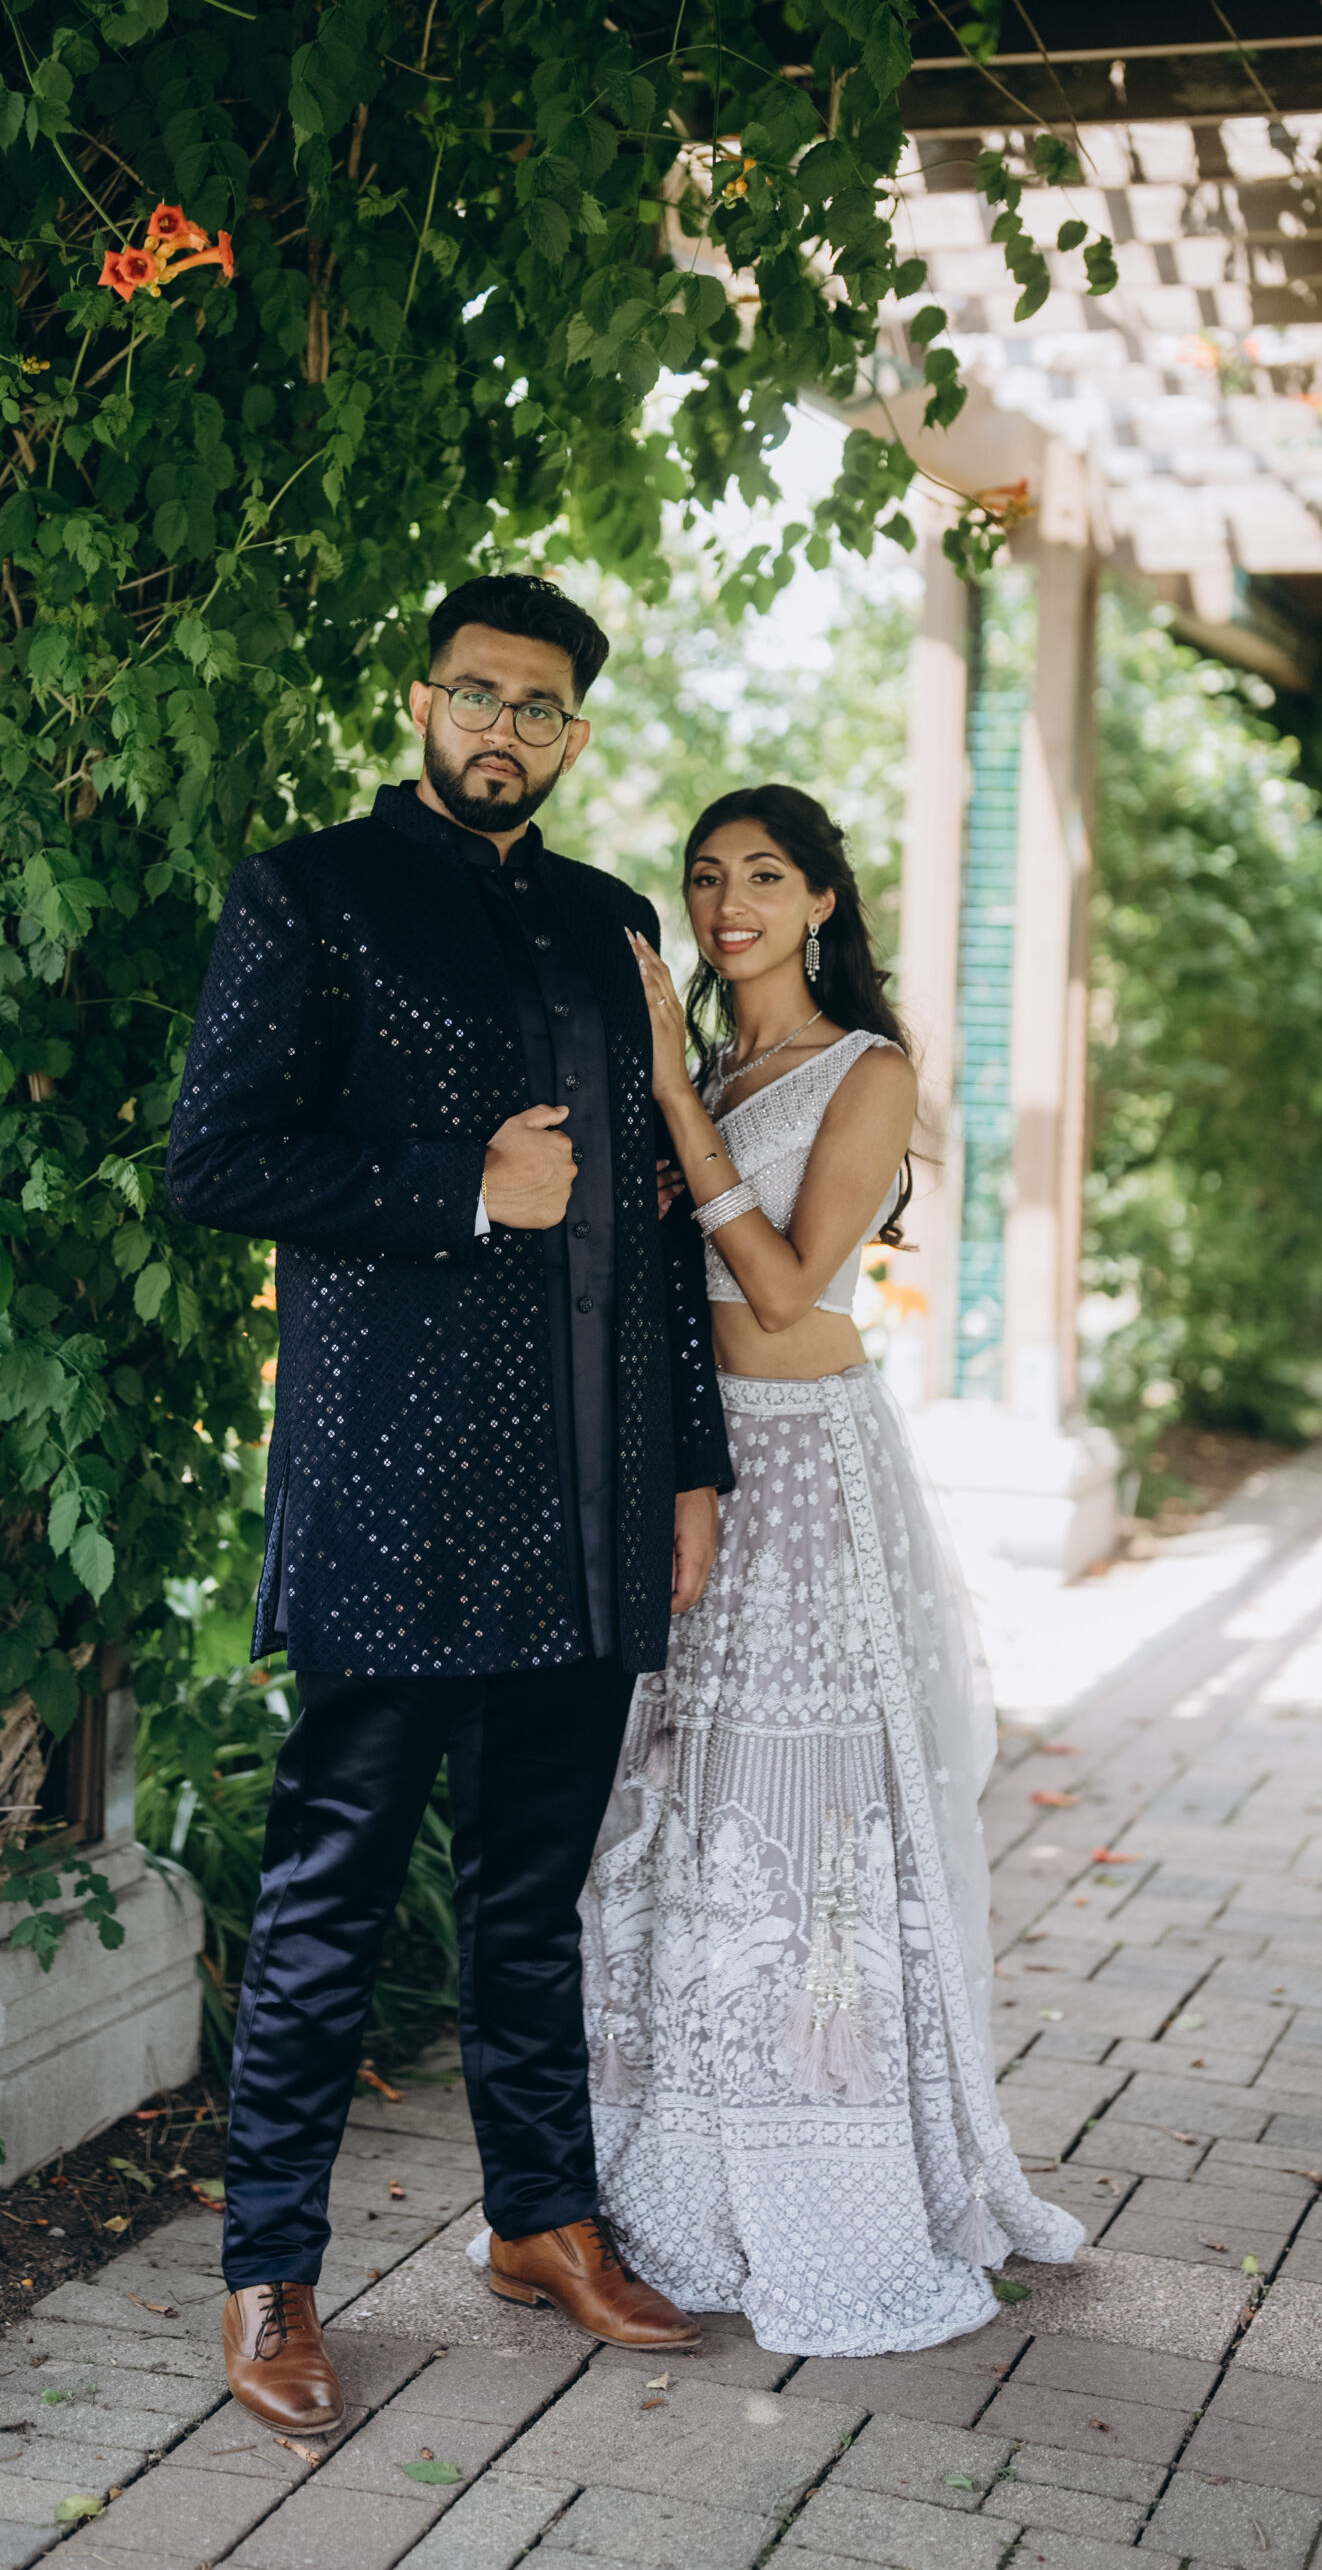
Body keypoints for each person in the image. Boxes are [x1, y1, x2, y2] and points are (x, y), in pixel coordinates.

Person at [166, 572, 735, 2434]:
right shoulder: (310, 893)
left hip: (588, 1485)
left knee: (532, 1884)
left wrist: (692, 1463)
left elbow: (655, 1218)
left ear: (575, 732)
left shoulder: (610, 920)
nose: (506, 727)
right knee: (329, 1893)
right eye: (478, 693)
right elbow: (216, 1158)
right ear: (422, 700)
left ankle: (539, 2218)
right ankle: (270, 2271)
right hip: (397, 1490)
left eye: (541, 705)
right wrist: (462, 1180)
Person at [578, 784, 1083, 2356]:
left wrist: (675, 1099)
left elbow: (791, 1288)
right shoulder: (708, 1066)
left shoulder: (868, 1070)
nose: (728, 903)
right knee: (678, 1809)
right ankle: (674, 2176)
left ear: (819, 903)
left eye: (763, 875)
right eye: (705, 876)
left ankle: (834, 2174)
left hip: (802, 1465)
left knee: (799, 1825)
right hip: (682, 1459)